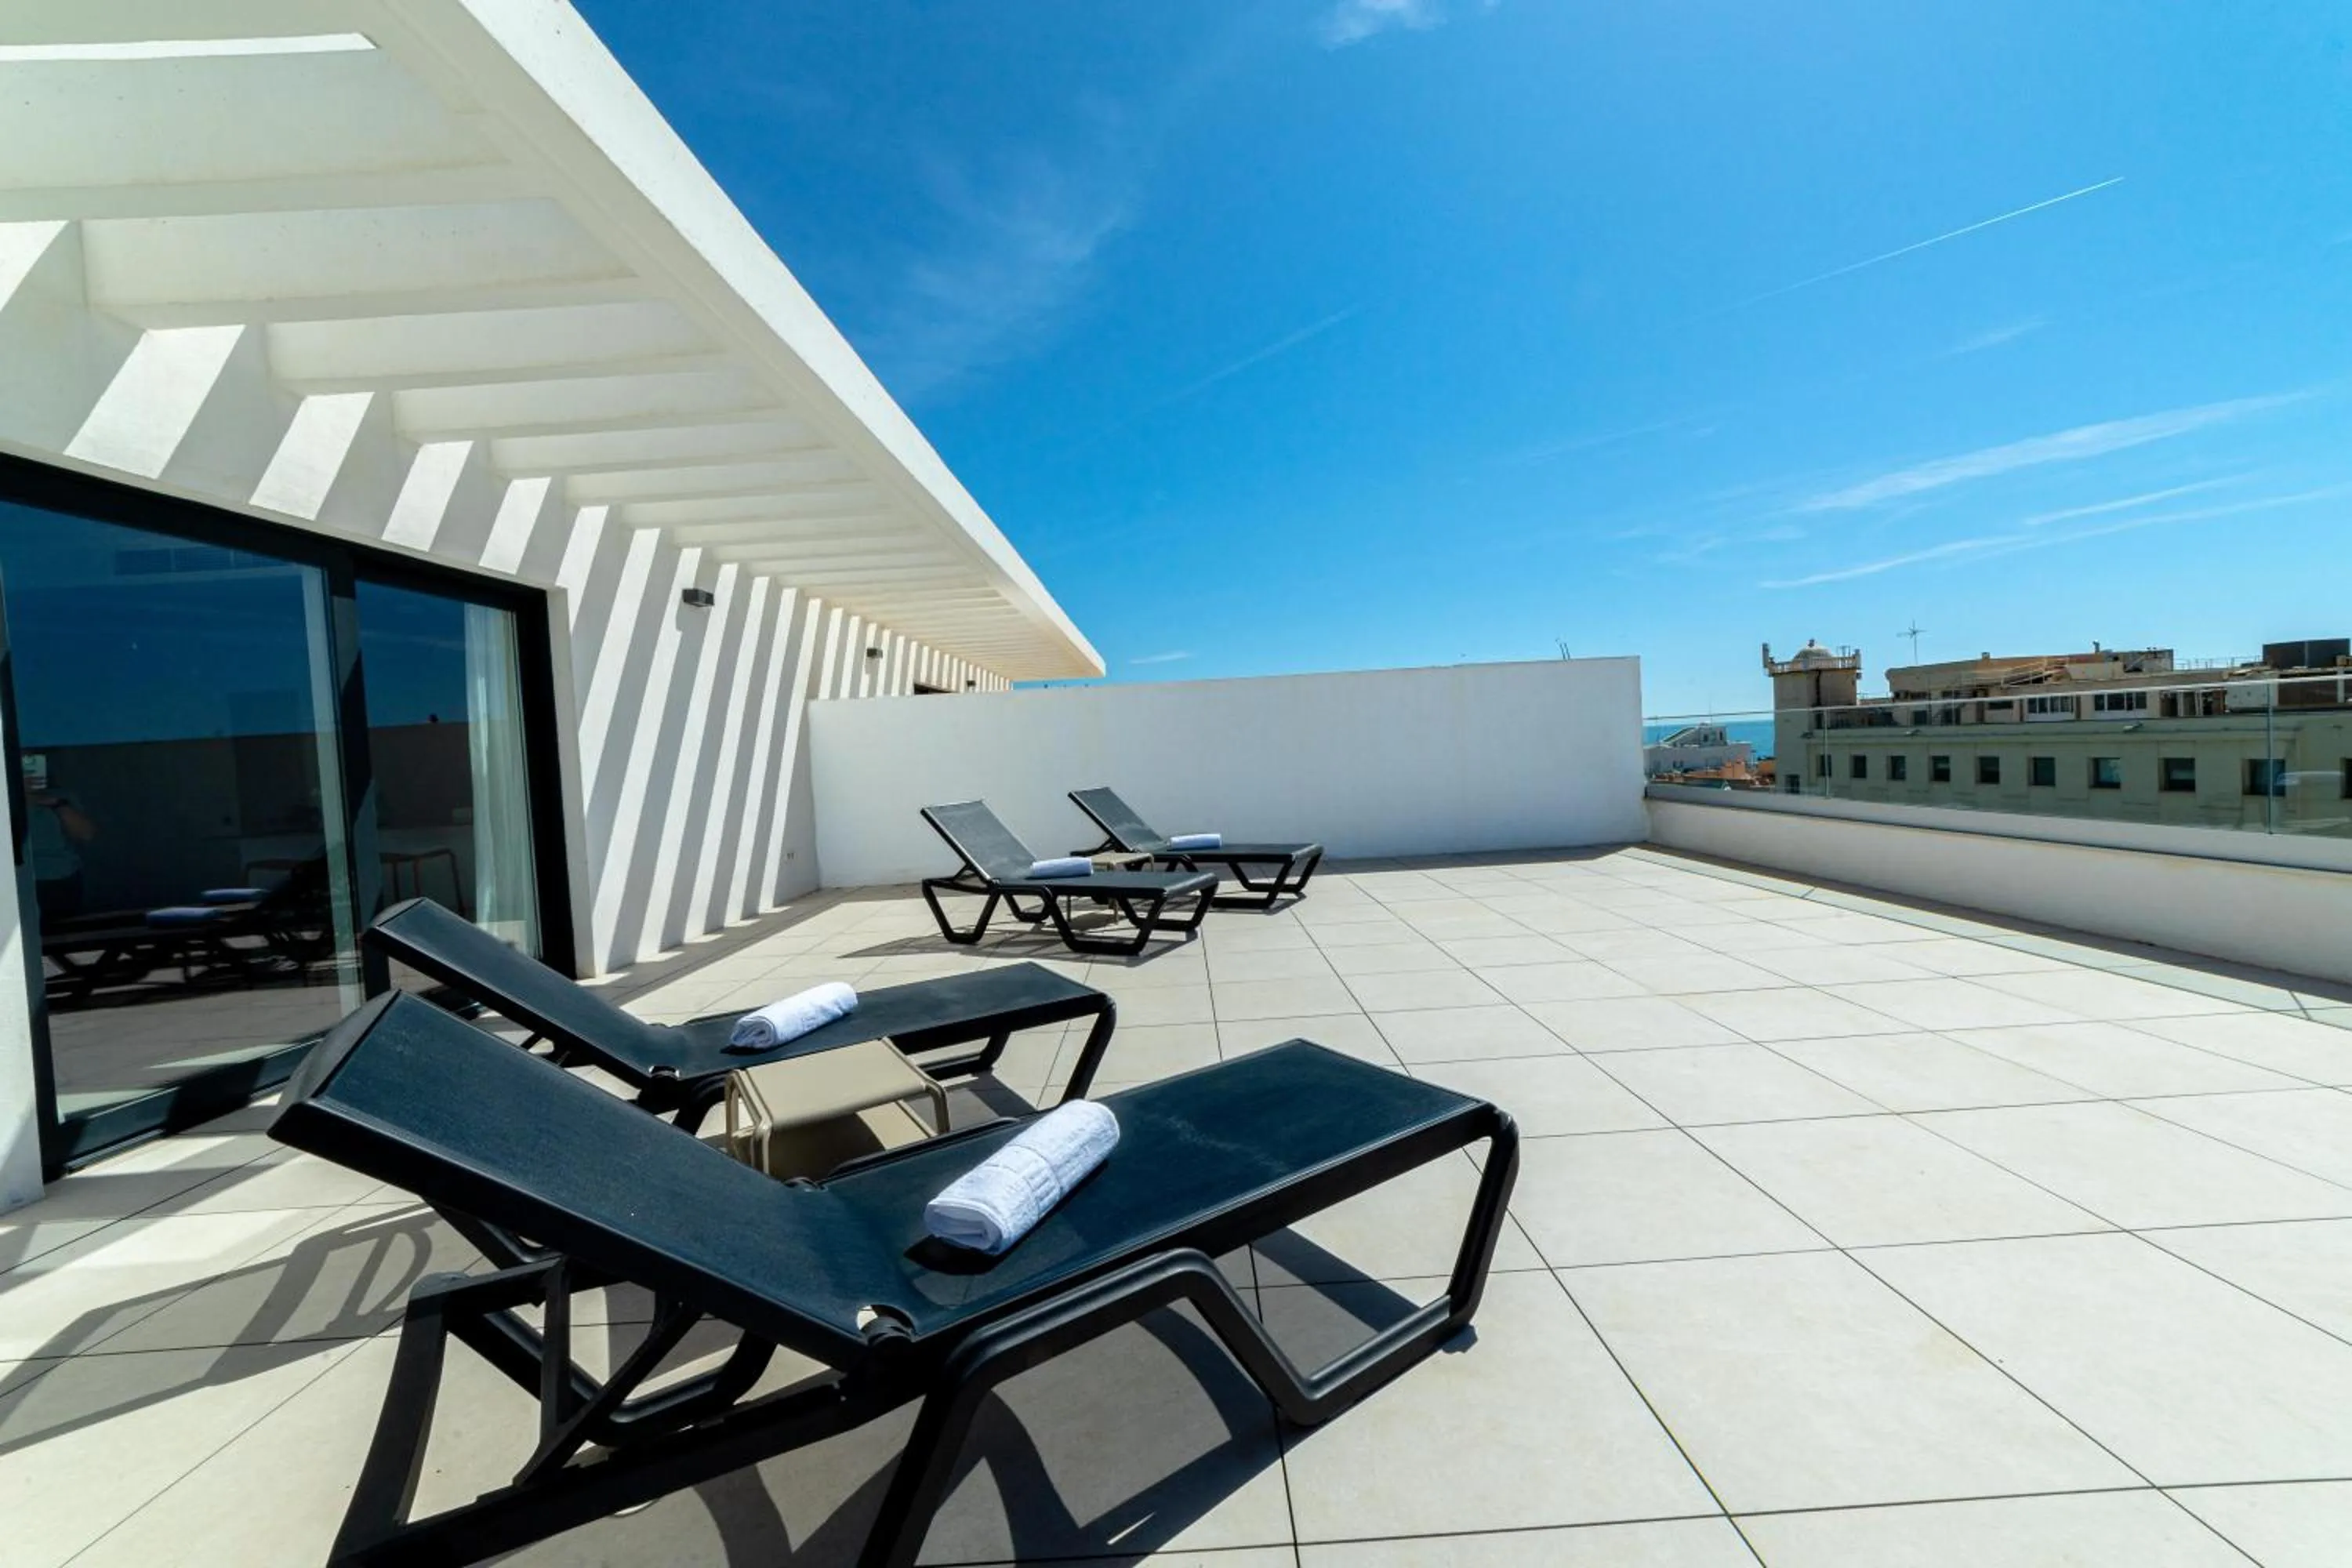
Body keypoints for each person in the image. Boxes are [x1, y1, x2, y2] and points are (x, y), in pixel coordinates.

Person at [27, 786, 95, 918]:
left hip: (61, 880)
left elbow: (86, 834)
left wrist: (59, 805)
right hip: (16, 882)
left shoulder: (61, 797)